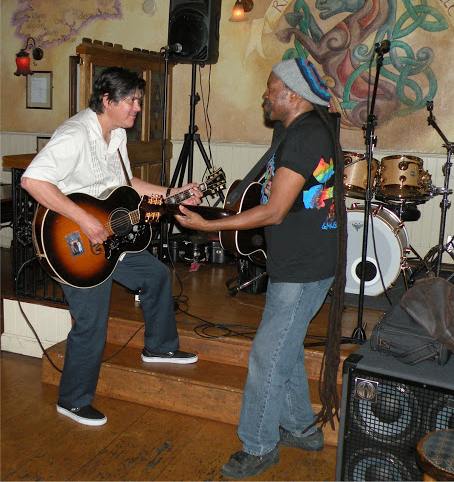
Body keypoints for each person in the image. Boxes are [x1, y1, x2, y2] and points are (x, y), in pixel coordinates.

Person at [175, 57, 347, 479]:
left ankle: (258, 445)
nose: (265, 95)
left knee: (266, 357)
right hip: (299, 261)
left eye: (271, 88)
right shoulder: (301, 128)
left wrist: (208, 226)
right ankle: (302, 429)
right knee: (284, 349)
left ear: (292, 94)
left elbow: (274, 211)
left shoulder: (306, 135)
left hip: (304, 267)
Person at [21, 67, 203, 427]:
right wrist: (85, 220)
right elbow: (33, 180)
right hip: (74, 244)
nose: (138, 107)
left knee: (155, 275)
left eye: (139, 100)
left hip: (109, 239)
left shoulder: (117, 134)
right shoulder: (75, 134)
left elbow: (127, 183)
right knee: (91, 322)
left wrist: (174, 193)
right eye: (132, 100)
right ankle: (72, 401)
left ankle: (159, 347)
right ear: (107, 100)